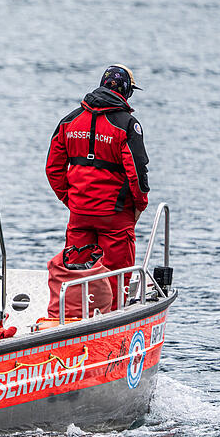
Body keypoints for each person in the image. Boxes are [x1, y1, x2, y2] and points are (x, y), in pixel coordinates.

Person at [45, 64, 150, 308]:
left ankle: (73, 320)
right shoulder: (128, 125)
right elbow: (137, 173)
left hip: (79, 213)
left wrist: (71, 200)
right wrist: (139, 206)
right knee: (114, 279)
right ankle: (111, 324)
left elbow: (53, 168)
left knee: (76, 272)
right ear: (126, 92)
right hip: (116, 215)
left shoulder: (69, 121)